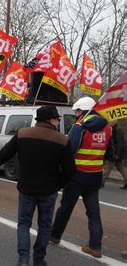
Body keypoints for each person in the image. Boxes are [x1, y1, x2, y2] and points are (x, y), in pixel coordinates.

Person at [0, 106, 76, 266]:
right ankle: (39, 258)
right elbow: (70, 171)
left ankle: (23, 259)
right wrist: (57, 184)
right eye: (57, 119)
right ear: (50, 120)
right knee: (45, 224)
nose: (58, 121)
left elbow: (4, 155)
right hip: (48, 190)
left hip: (26, 188)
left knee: (24, 223)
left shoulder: (23, 134)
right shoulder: (62, 140)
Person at [50, 97, 114, 258]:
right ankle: (95, 246)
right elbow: (110, 153)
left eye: (77, 111)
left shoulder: (79, 127)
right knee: (93, 212)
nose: (76, 114)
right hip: (95, 176)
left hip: (76, 175)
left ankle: (55, 236)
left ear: (82, 111)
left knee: (65, 208)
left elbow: (69, 150)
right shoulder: (108, 129)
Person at [102, 120, 127, 189]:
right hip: (118, 153)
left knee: (108, 168)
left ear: (114, 122)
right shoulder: (115, 129)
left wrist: (116, 155)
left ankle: (102, 182)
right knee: (121, 168)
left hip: (115, 153)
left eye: (111, 122)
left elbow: (119, 144)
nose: (109, 123)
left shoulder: (116, 130)